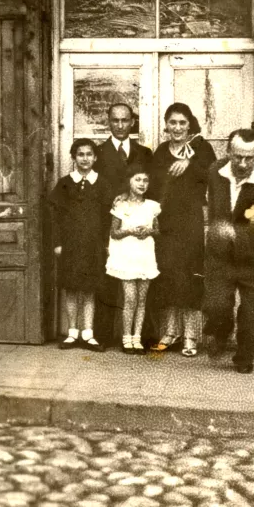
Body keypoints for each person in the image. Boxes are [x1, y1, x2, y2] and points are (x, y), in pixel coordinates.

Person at [204, 129, 254, 374]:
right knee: (216, 306)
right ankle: (221, 331)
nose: (243, 163)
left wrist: (234, 233)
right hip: (221, 256)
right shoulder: (215, 172)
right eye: (238, 157)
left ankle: (244, 357)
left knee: (251, 314)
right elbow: (215, 208)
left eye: (250, 158)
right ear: (228, 152)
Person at [148, 103, 216, 357]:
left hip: (190, 222)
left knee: (189, 276)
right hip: (165, 223)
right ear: (166, 125)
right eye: (172, 122)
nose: (177, 128)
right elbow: (153, 189)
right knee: (167, 275)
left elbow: (214, 174)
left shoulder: (202, 149)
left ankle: (190, 336)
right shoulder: (161, 152)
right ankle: (170, 332)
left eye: (182, 123)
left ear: (190, 125)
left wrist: (190, 164)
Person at [94, 102, 153, 344]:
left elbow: (152, 188)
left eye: (125, 120)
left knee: (141, 281)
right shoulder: (97, 153)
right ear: (108, 122)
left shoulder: (144, 153)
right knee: (107, 279)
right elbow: (96, 191)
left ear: (132, 122)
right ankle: (104, 336)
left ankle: (143, 336)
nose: (120, 125)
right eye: (115, 120)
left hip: (139, 226)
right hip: (108, 224)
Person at [49, 138, 112, 351]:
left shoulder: (102, 184)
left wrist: (106, 243)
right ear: (74, 157)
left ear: (95, 157)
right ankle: (72, 332)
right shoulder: (64, 183)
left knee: (89, 289)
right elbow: (55, 216)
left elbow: (108, 217)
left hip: (93, 245)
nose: (85, 159)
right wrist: (57, 242)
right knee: (71, 288)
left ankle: (88, 333)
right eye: (80, 154)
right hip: (71, 245)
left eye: (89, 154)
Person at [105, 163, 160, 355]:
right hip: (127, 256)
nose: (142, 183)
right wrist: (129, 230)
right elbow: (114, 233)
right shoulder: (120, 205)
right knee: (130, 299)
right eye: (138, 179)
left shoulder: (152, 206)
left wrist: (149, 230)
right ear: (129, 182)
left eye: (145, 180)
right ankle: (126, 338)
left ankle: (137, 338)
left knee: (142, 300)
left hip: (145, 256)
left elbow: (158, 230)